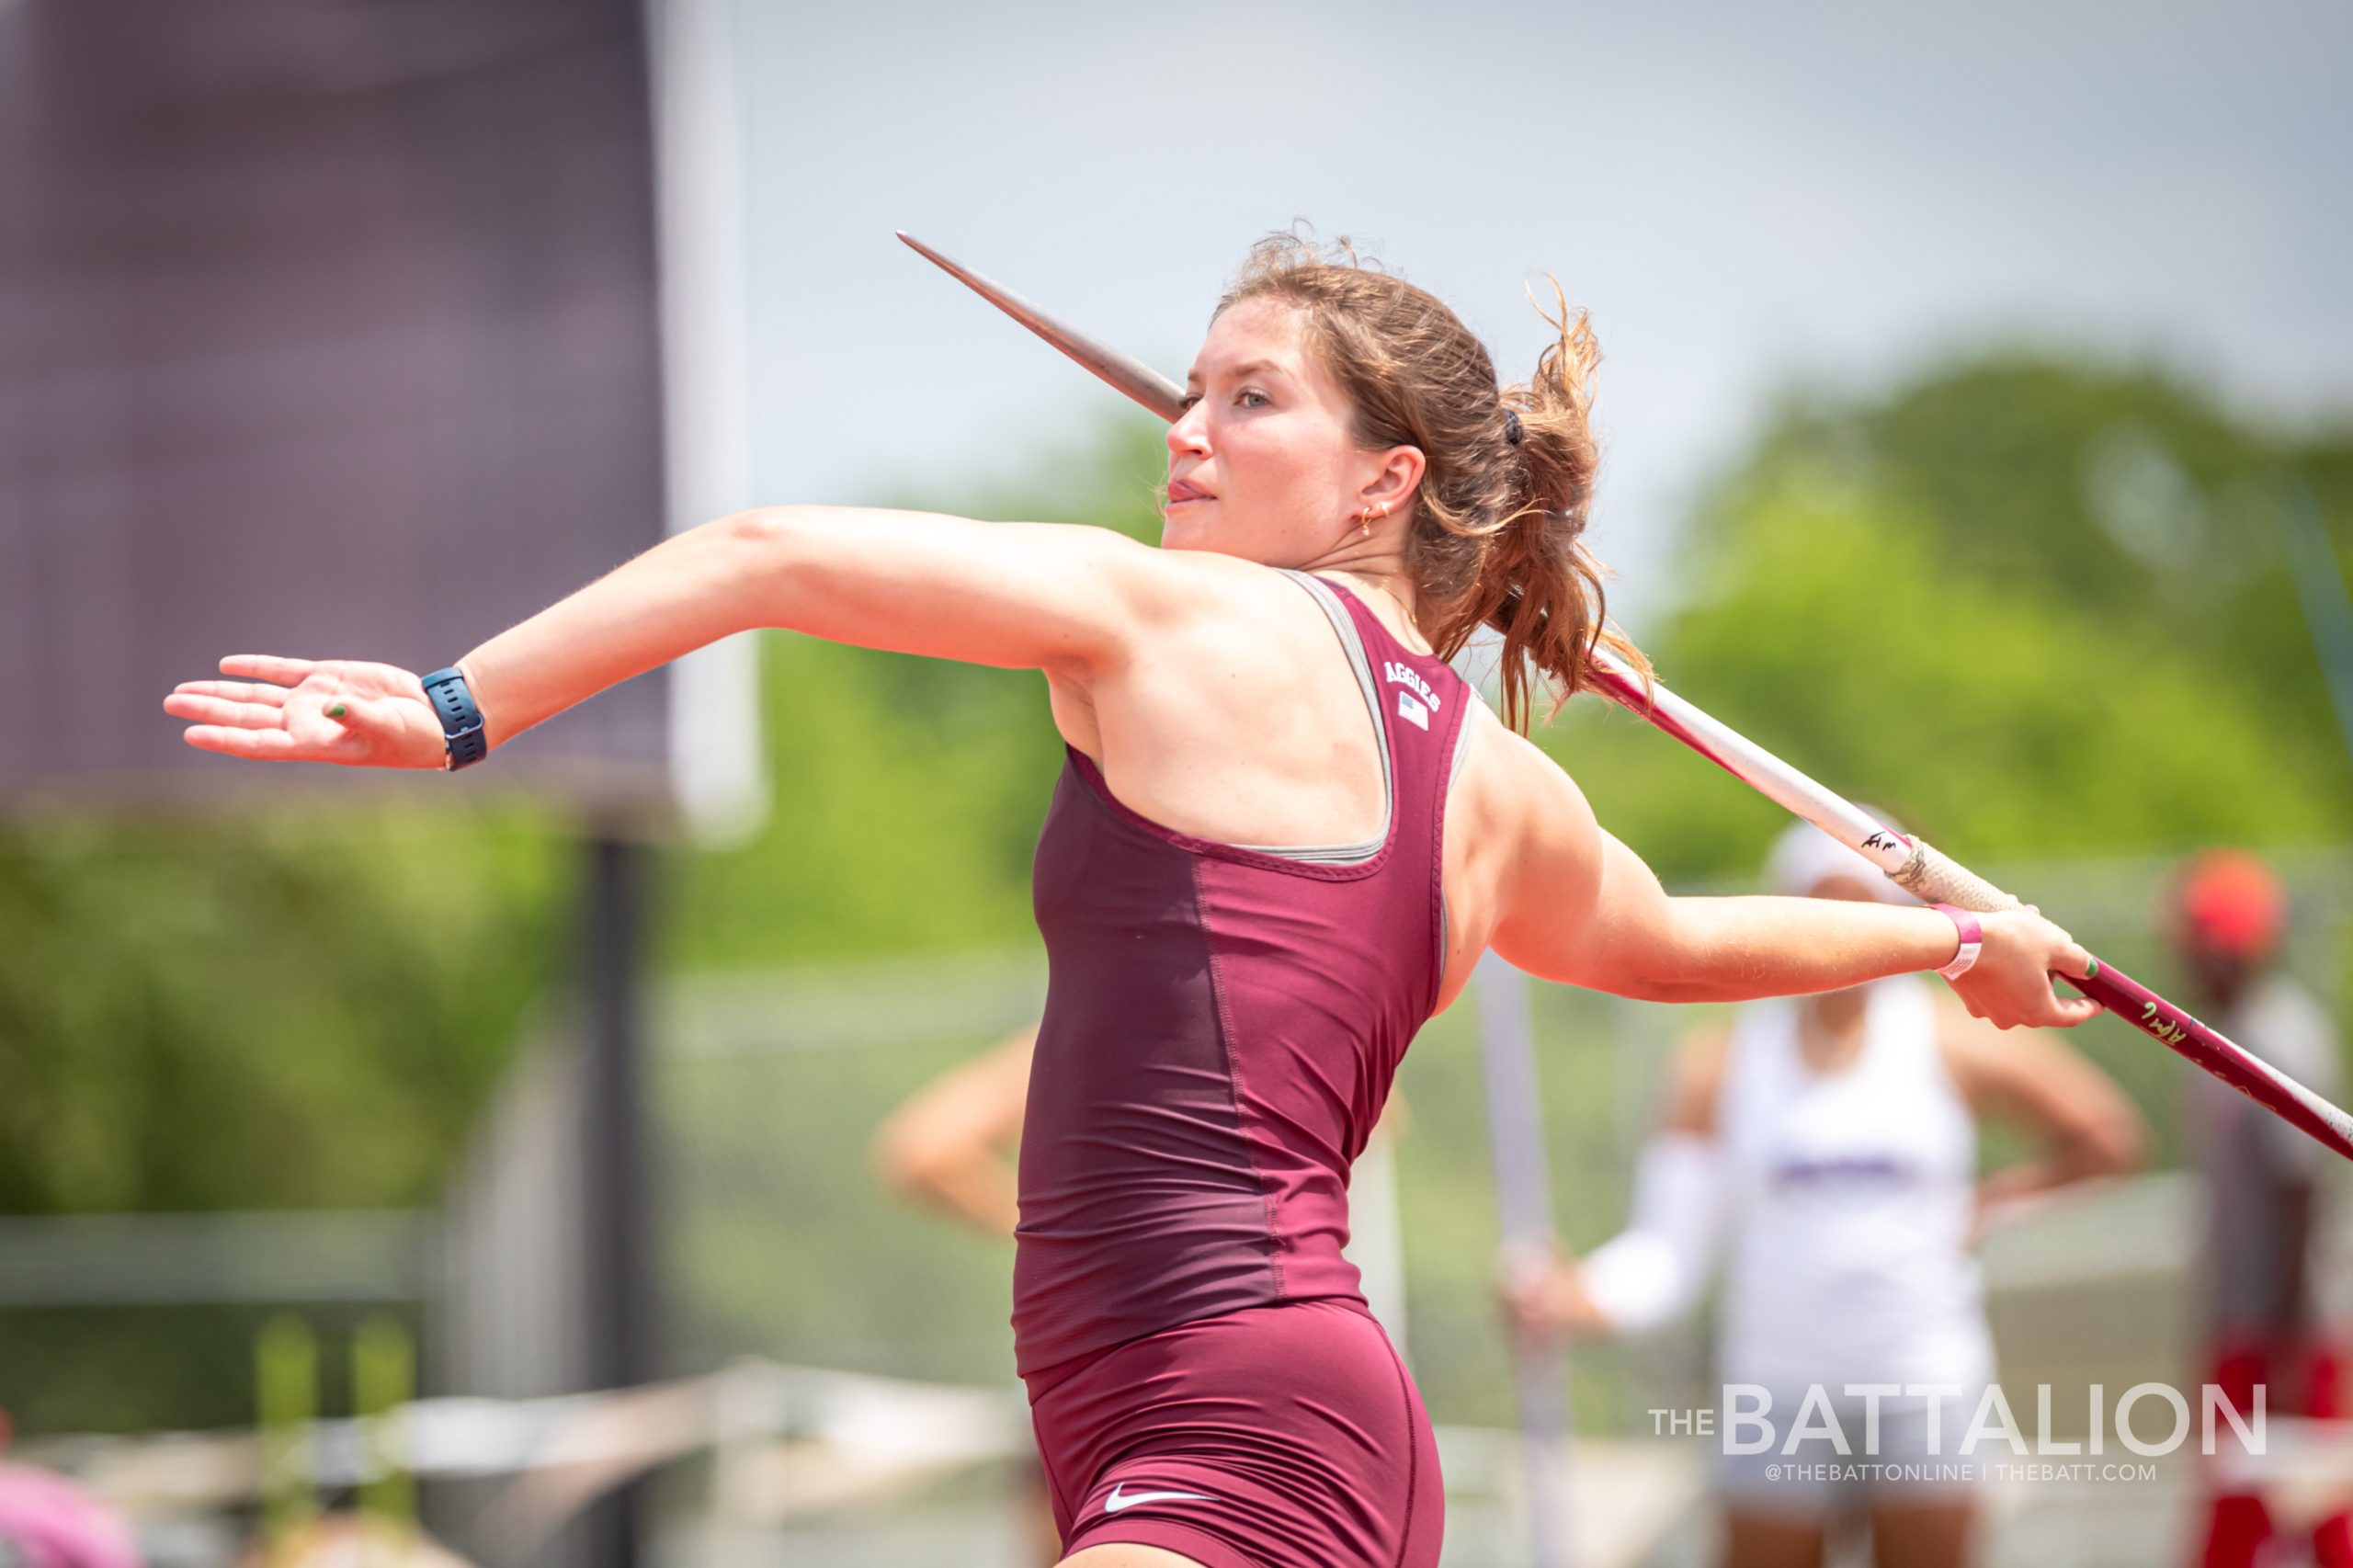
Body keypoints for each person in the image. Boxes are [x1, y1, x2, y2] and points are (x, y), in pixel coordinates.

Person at [165, 233, 2106, 1568]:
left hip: (1236, 1415)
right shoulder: (1499, 786)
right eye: (1186, 392)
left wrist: (453, 707)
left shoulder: (1165, 614)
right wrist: (1955, 937)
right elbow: (1672, 943)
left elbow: (761, 552)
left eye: (1245, 400)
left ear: (1380, 481)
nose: (1182, 432)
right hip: (1244, 1405)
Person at [1500, 818, 2146, 1568]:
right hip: (1776, 1391)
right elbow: (1666, 1257)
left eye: (1861, 903)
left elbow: (2106, 1137)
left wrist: (1993, 1207)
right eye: (1823, 903)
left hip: (1921, 1378)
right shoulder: (1720, 1064)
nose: (1845, 927)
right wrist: (1573, 1296)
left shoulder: (1949, 1038)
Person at [2173, 850, 2352, 1568]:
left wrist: (2283, 1338)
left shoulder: (2276, 1038)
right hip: (2250, 1314)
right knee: (2269, 1496)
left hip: (2278, 1322)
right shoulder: (2236, 1030)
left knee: (2280, 1495)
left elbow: (2298, 1189)